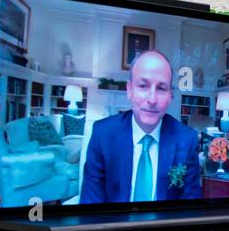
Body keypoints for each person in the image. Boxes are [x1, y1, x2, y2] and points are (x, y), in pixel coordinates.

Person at [80, 50, 202, 205]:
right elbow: (90, 205)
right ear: (129, 90)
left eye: (161, 88)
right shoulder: (103, 135)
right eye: (143, 86)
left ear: (170, 95)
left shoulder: (186, 139)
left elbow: (190, 208)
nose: (152, 99)